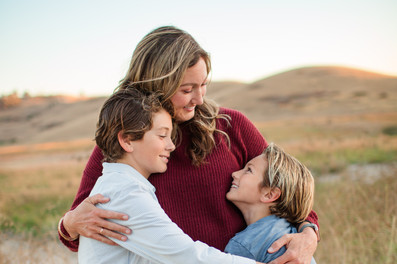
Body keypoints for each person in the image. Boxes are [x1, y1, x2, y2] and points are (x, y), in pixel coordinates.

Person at [58, 26, 319, 264]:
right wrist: (68, 224)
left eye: (204, 85)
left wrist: (309, 233)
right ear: (157, 84)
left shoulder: (231, 126)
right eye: (186, 89)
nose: (199, 98)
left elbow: (287, 188)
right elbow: (83, 227)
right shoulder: (127, 143)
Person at [78, 88, 263, 264]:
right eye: (162, 136)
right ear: (127, 140)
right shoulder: (125, 193)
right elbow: (188, 257)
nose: (171, 146)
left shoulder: (121, 185)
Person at [224, 143, 317, 263]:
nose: (235, 174)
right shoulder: (292, 232)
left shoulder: (244, 245)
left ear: (269, 194)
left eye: (248, 170)